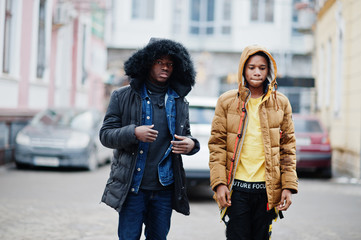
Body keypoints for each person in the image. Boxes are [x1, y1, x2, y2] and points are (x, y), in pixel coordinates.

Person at [99, 38, 199, 240]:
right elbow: (105, 135)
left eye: (170, 64)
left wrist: (191, 145)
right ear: (147, 63)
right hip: (133, 187)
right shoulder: (121, 96)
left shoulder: (179, 101)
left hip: (164, 189)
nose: (165, 68)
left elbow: (185, 135)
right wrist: (133, 133)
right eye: (159, 62)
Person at [208, 45, 298, 240]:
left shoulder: (280, 103)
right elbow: (217, 146)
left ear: (269, 71)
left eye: (262, 68)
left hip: (267, 191)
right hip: (236, 191)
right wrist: (219, 183)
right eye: (251, 67)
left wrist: (288, 187)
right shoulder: (226, 101)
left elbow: (288, 148)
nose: (257, 72)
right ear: (243, 69)